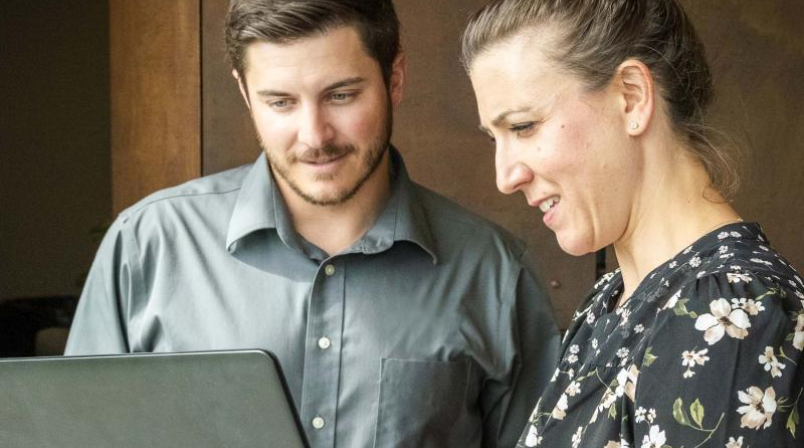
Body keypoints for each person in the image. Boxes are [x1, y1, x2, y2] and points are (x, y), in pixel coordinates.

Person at [65, 0, 561, 447]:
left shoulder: (494, 273)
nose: (314, 136)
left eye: (341, 95)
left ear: (395, 78)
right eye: (280, 102)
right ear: (244, 92)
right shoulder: (147, 245)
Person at [462, 0, 804, 447]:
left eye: (524, 127)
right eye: (495, 137)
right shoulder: (611, 301)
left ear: (632, 97)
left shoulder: (730, 318)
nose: (505, 177)